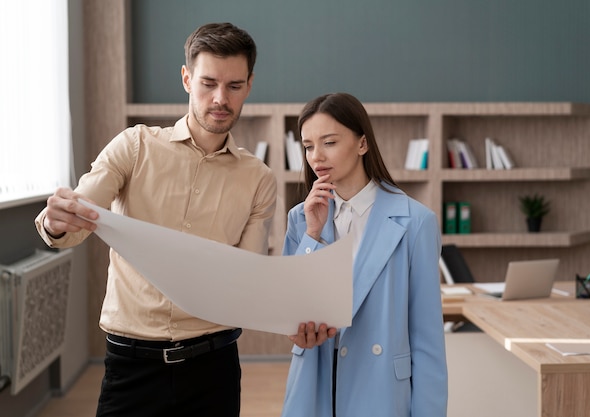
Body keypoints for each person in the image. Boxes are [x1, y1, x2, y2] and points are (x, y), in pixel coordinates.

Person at [34, 22, 276, 417]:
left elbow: (246, 277)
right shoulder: (134, 147)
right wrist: (58, 221)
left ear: (249, 85)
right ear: (186, 79)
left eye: (234, 86)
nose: (220, 98)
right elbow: (76, 215)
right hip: (132, 366)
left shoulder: (259, 179)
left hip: (213, 365)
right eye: (208, 83)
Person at [281, 92, 447, 417]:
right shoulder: (300, 219)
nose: (316, 157)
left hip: (381, 390)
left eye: (329, 142)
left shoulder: (416, 222)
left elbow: (428, 342)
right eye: (308, 145)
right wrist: (313, 234)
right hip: (314, 385)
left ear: (362, 144)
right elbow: (291, 312)